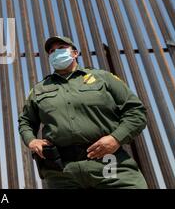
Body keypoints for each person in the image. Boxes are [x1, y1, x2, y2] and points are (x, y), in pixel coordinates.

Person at [18, 36, 148, 189]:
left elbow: (135, 111)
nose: (55, 52)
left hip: (108, 164)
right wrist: (32, 141)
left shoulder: (103, 78)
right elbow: (25, 121)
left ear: (75, 53)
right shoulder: (39, 89)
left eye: (61, 48)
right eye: (52, 51)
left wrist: (116, 138)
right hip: (62, 173)